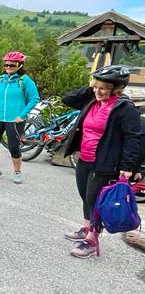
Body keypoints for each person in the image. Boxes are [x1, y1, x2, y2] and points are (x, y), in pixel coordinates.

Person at [60, 64, 142, 259]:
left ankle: (92, 239)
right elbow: (68, 99)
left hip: (105, 162)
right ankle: (87, 227)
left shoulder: (124, 109)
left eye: (104, 87)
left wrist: (128, 167)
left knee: (95, 200)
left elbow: (134, 138)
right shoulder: (92, 101)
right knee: (85, 196)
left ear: (117, 89)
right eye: (96, 86)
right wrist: (93, 88)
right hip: (85, 158)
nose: (98, 91)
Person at [0, 51, 40, 184]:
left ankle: (17, 172)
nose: (8, 67)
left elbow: (34, 98)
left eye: (12, 65)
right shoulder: (0, 80)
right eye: (6, 65)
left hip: (14, 120)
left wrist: (22, 115)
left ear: (20, 65)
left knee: (14, 147)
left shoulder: (25, 81)